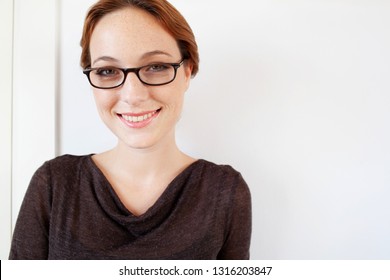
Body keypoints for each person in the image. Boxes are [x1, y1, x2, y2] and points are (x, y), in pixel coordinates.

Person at [9, 0, 251, 260]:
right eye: (108, 71)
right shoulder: (54, 185)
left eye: (156, 66)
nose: (133, 95)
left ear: (187, 71)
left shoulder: (225, 193)